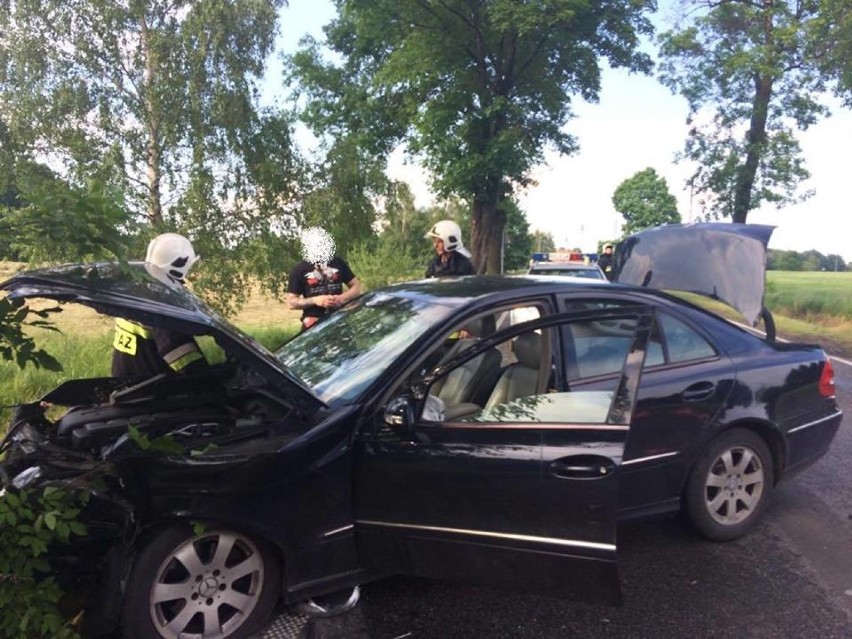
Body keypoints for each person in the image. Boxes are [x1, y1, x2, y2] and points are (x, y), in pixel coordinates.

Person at [112, 233, 208, 379]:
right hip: (150, 392)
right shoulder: (162, 300)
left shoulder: (135, 290)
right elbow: (179, 352)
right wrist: (209, 380)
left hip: (123, 385)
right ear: (180, 265)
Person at [287, 228, 362, 330]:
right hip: (313, 325)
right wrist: (315, 300)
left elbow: (356, 286)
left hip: (340, 320)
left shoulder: (338, 263)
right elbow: (291, 302)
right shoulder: (299, 270)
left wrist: (341, 298)